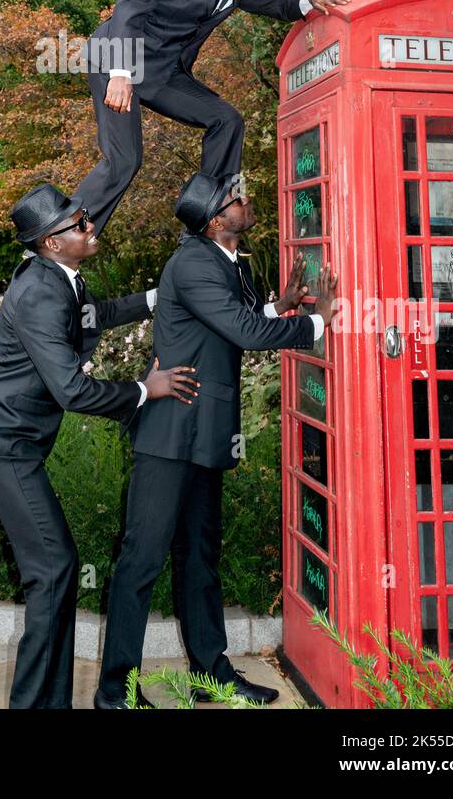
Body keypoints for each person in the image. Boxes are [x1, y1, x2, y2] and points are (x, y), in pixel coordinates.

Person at [0, 183, 198, 711]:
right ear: (50, 242)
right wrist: (144, 389)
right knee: (54, 566)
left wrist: (166, 293)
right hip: (2, 444)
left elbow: (99, 312)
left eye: (84, 217)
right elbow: (70, 389)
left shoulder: (58, 278)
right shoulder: (43, 293)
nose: (90, 226)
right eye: (78, 224)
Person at [95, 172, 338, 709]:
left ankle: (212, 677)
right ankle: (116, 692)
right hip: (169, 436)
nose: (247, 203)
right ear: (215, 219)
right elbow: (247, 334)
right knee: (140, 563)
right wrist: (317, 325)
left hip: (203, 436)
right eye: (237, 200)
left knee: (201, 560)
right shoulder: (193, 263)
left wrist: (285, 305)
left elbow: (236, 322)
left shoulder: (225, 263)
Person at [74, 0, 346, 235]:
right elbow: (131, 5)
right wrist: (121, 73)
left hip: (164, 72)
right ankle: (61, 233)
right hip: (117, 57)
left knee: (226, 120)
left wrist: (308, 0)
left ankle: (211, 216)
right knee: (125, 161)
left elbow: (271, 1)